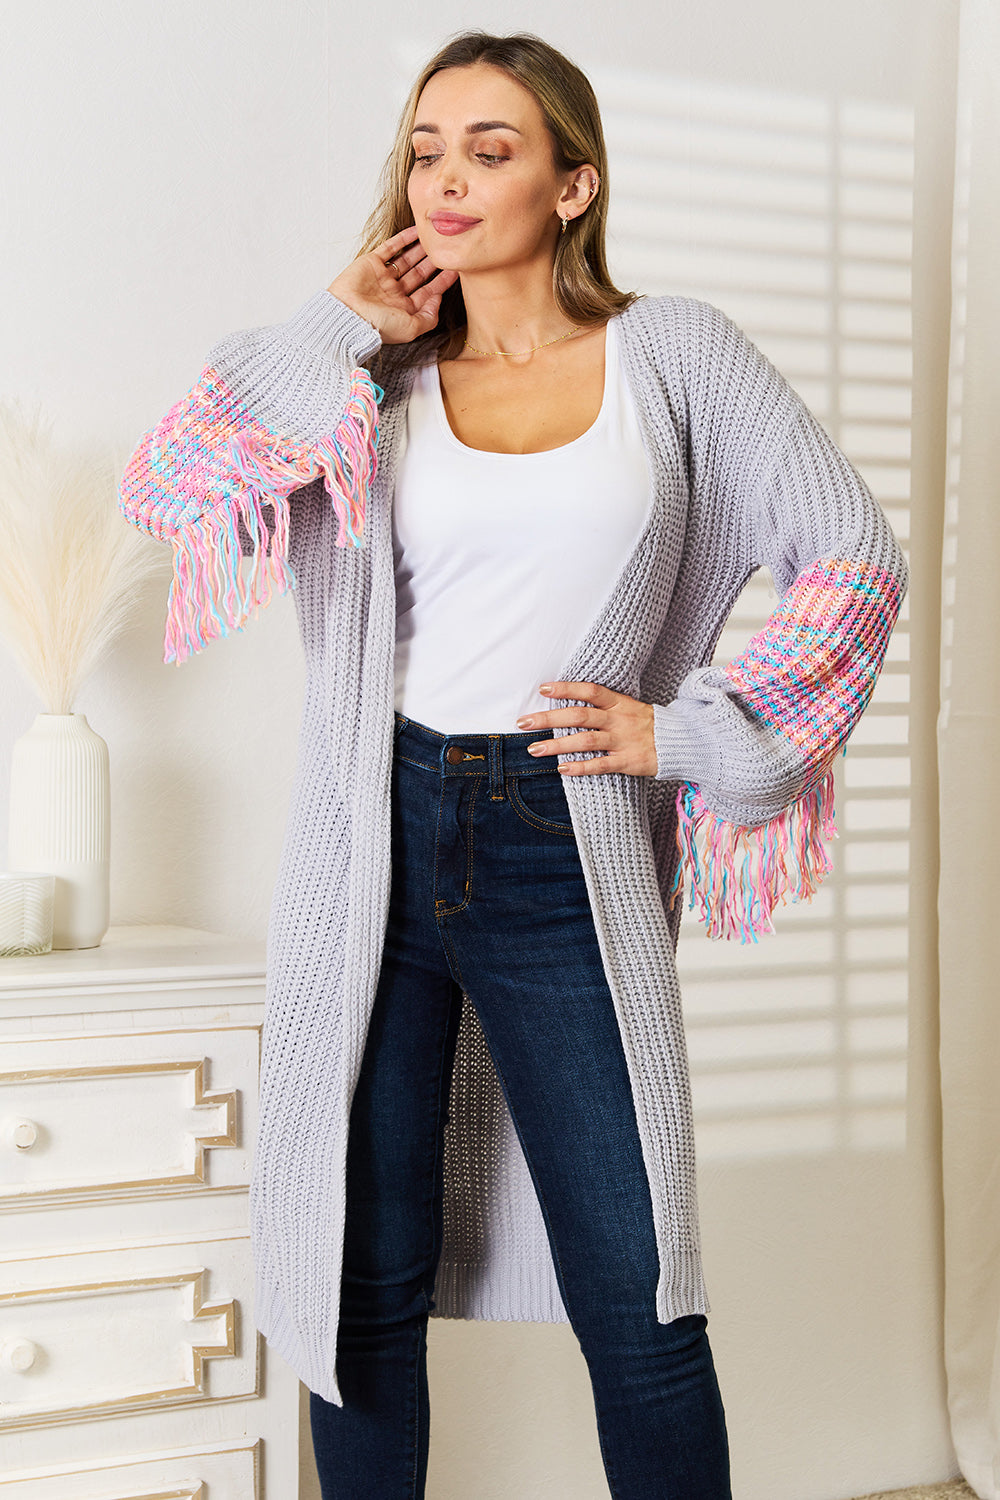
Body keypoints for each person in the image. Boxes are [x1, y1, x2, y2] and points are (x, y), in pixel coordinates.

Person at [119, 28, 909, 1500]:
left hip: (566, 834)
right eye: (427, 149)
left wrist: (688, 738)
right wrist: (333, 320)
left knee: (641, 1286)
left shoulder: (672, 355)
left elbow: (855, 553)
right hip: (381, 837)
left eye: (492, 150)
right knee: (360, 1284)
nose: (448, 179)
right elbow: (173, 480)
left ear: (574, 184)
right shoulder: (373, 379)